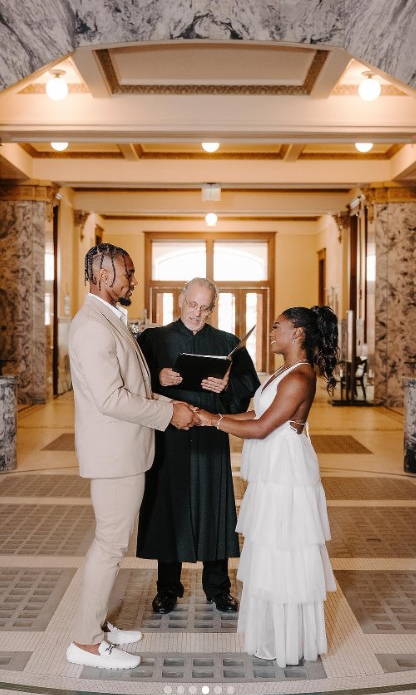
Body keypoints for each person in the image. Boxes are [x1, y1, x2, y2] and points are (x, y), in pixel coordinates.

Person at [66, 243, 196, 670]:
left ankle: (97, 627)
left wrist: (170, 405)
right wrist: (167, 412)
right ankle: (85, 643)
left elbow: (134, 388)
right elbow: (110, 399)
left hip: (126, 450)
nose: (133, 281)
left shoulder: (108, 319)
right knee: (109, 545)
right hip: (114, 455)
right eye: (128, 274)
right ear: (104, 278)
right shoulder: (91, 326)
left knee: (110, 543)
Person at [195, 306, 338, 667]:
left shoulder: (300, 377)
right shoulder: (284, 372)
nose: (272, 331)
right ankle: (275, 632)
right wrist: (208, 418)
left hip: (286, 475)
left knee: (284, 552)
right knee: (270, 550)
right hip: (273, 471)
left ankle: (289, 640)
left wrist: (213, 421)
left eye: (278, 326)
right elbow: (257, 414)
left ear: (299, 333)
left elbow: (261, 429)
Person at [136, 278, 260, 614]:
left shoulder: (227, 342)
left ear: (212, 309)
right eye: (193, 305)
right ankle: (168, 587)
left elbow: (249, 384)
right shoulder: (153, 339)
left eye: (205, 308)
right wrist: (157, 378)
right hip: (168, 437)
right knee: (168, 508)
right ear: (181, 301)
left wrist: (226, 384)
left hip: (210, 437)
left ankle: (218, 588)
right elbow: (129, 381)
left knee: (214, 508)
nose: (197, 313)